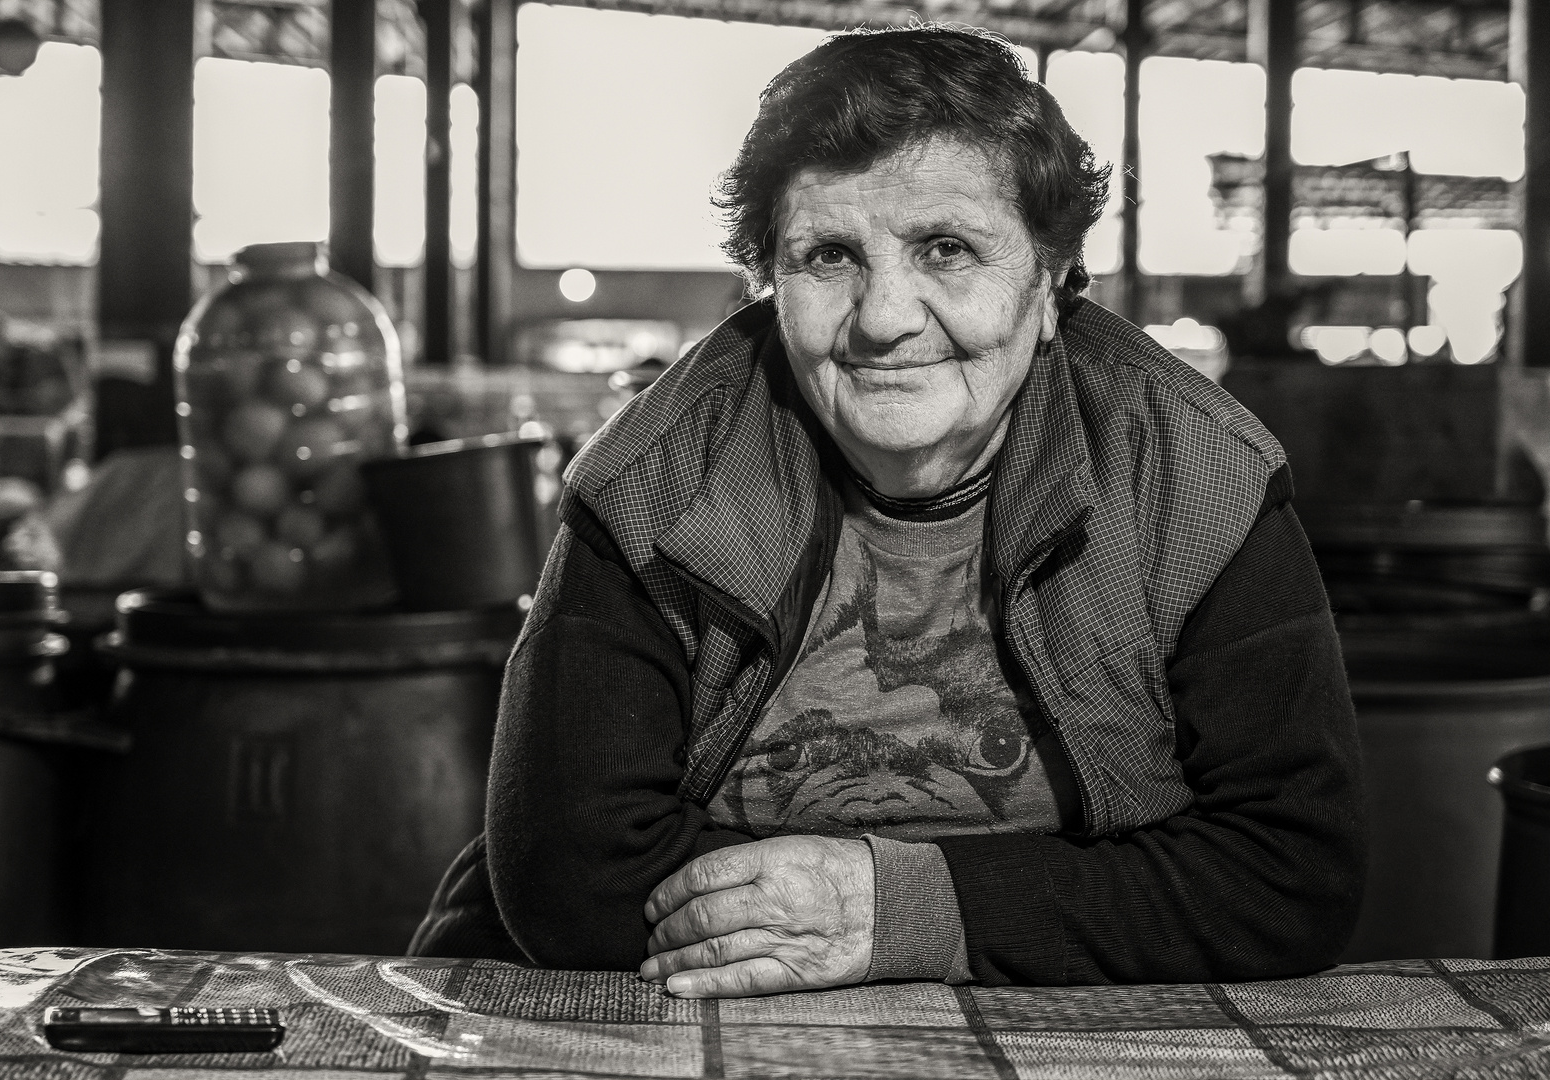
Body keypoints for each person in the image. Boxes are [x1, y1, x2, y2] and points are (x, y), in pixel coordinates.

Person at [411, 24, 1365, 996]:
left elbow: (1288, 874)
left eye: (945, 249)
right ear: (769, 285)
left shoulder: (1195, 476)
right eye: (828, 256)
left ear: (1047, 283)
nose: (883, 317)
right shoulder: (652, 482)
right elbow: (572, 880)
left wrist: (903, 912)